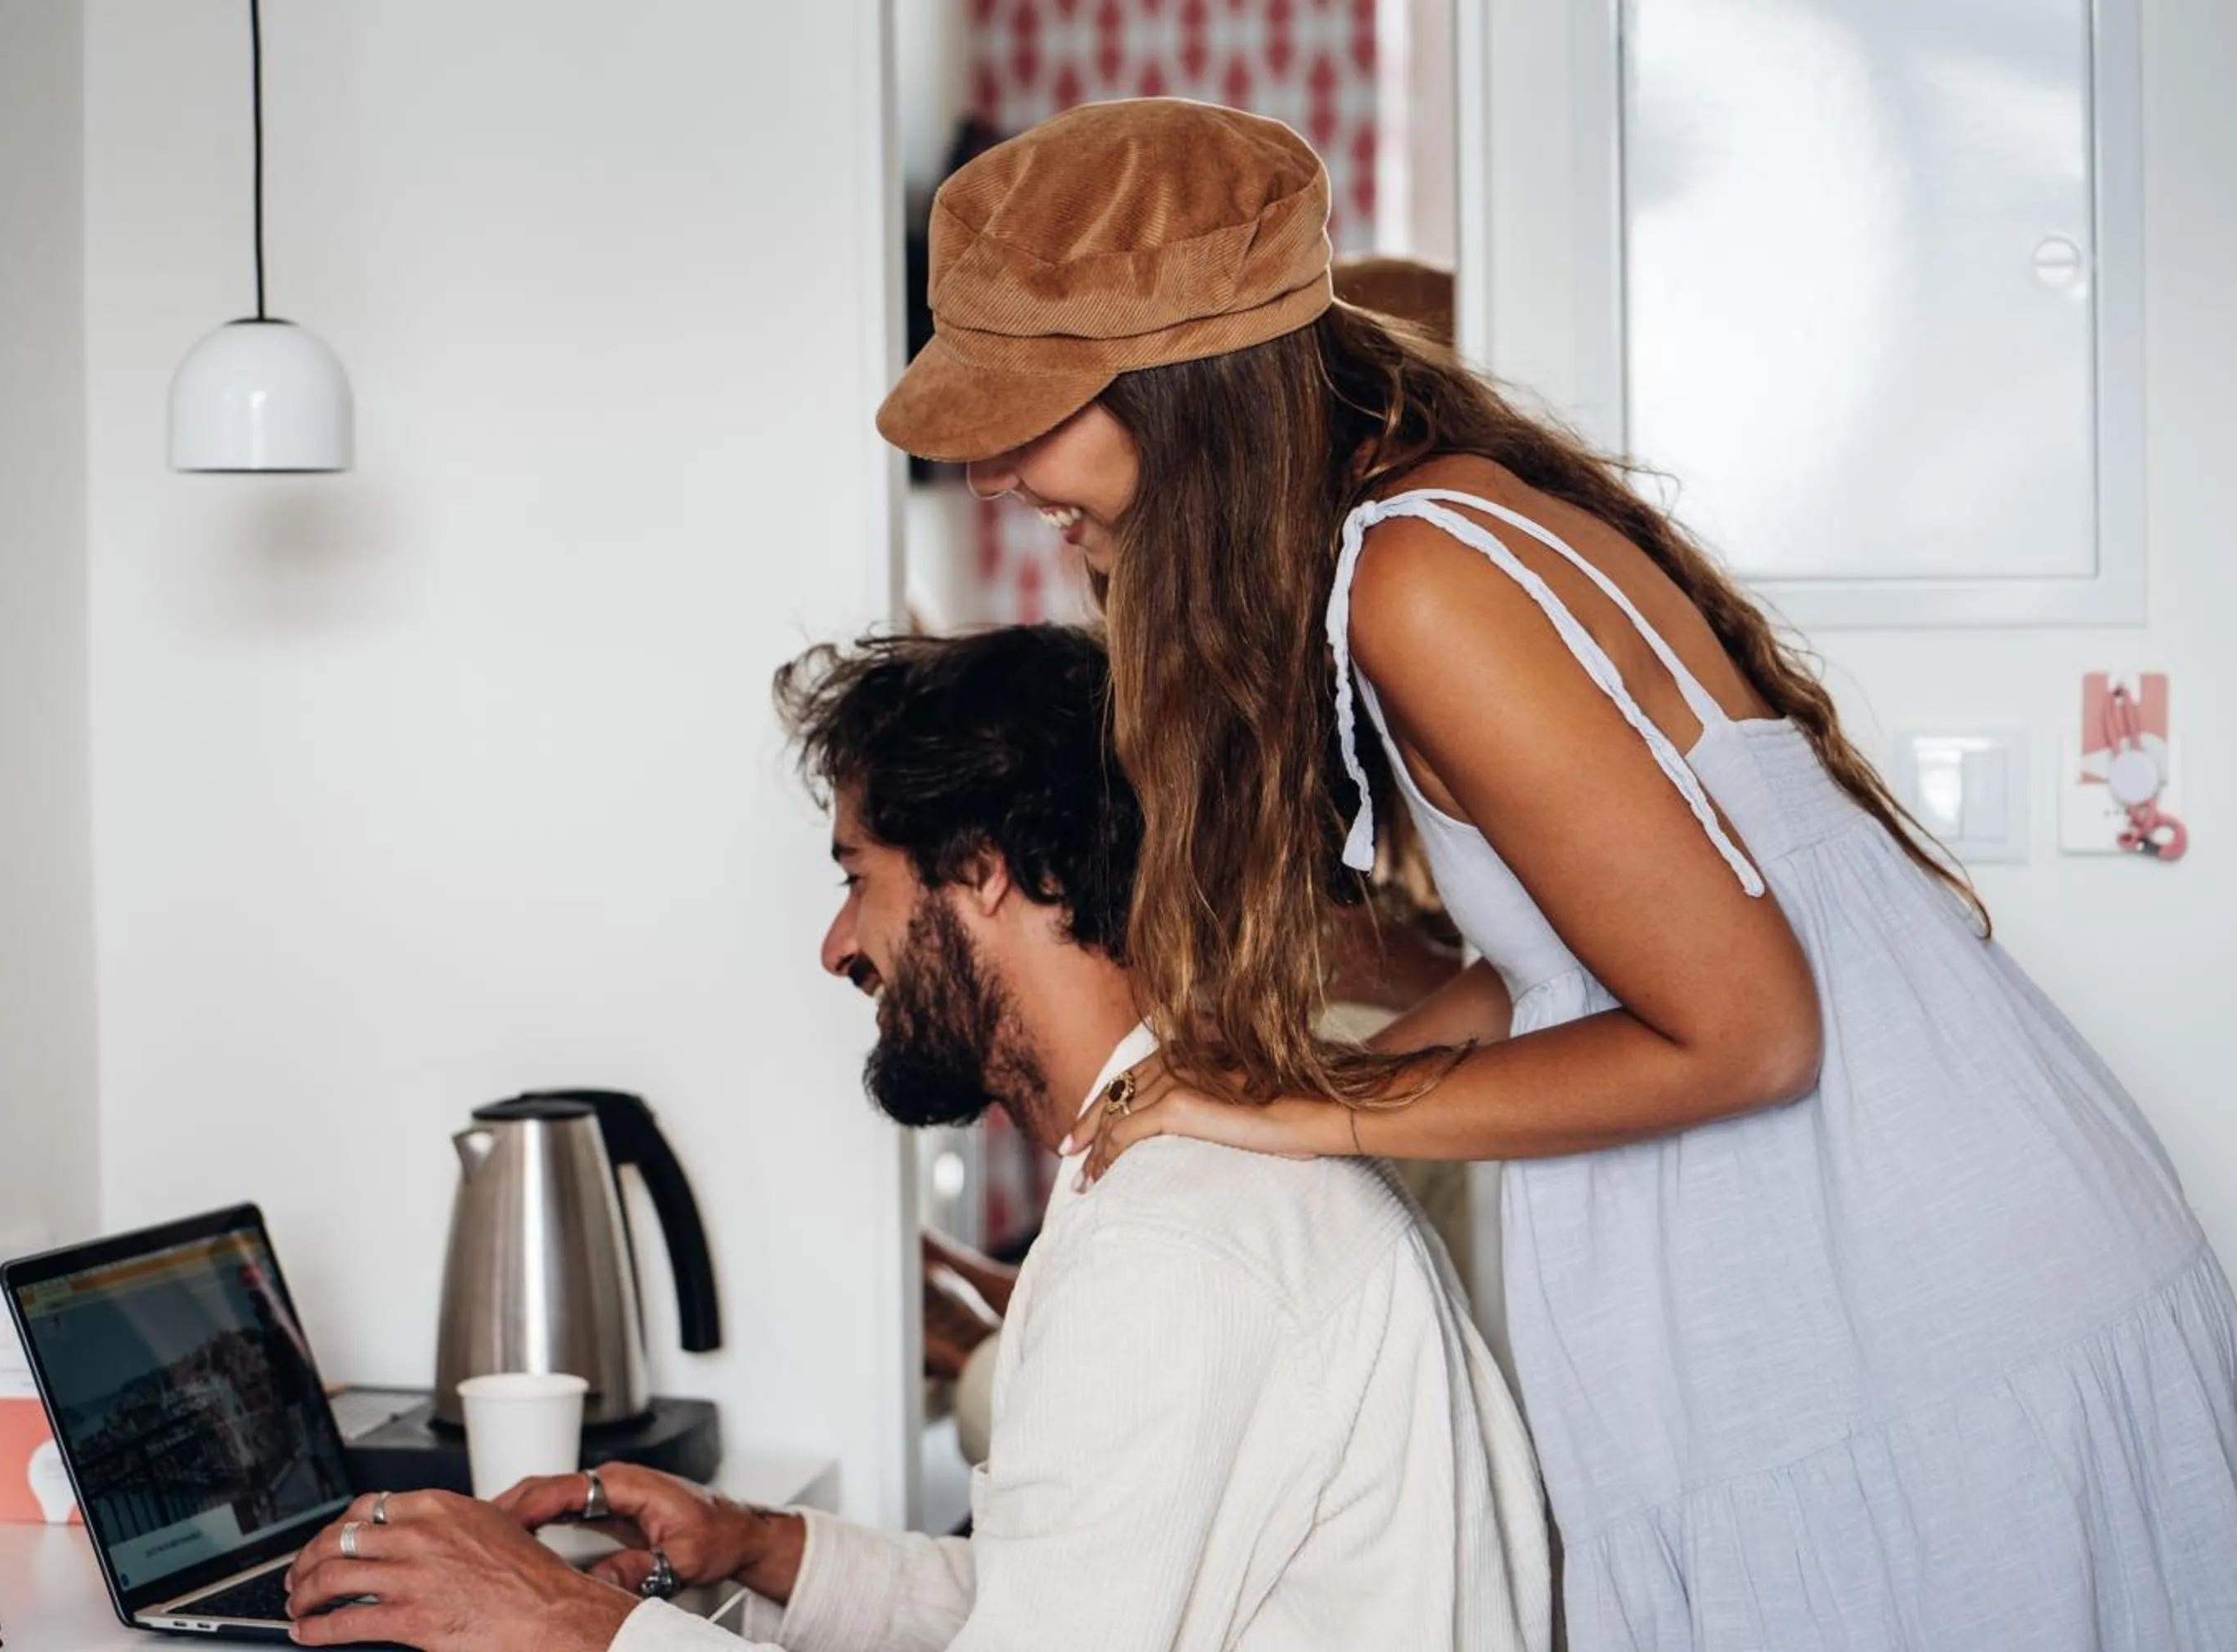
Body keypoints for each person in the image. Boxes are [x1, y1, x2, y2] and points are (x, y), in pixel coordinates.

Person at [873, 97, 2237, 1650]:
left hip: (1914, 1283)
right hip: (1897, 1244)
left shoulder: (1420, 580)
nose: (993, 473)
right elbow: (1562, 969)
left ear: (1180, 388)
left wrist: (1306, 1110)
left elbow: (1752, 1035)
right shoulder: (1422, 524)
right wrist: (1278, 1098)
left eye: (1029, 413)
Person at [283, 625, 1550, 1651]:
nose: (838, 946)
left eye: (858, 877)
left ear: (982, 869)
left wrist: (564, 1625)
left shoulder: (1178, 1237)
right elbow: (1054, 1598)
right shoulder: (1155, 1177)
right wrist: (762, 1545)